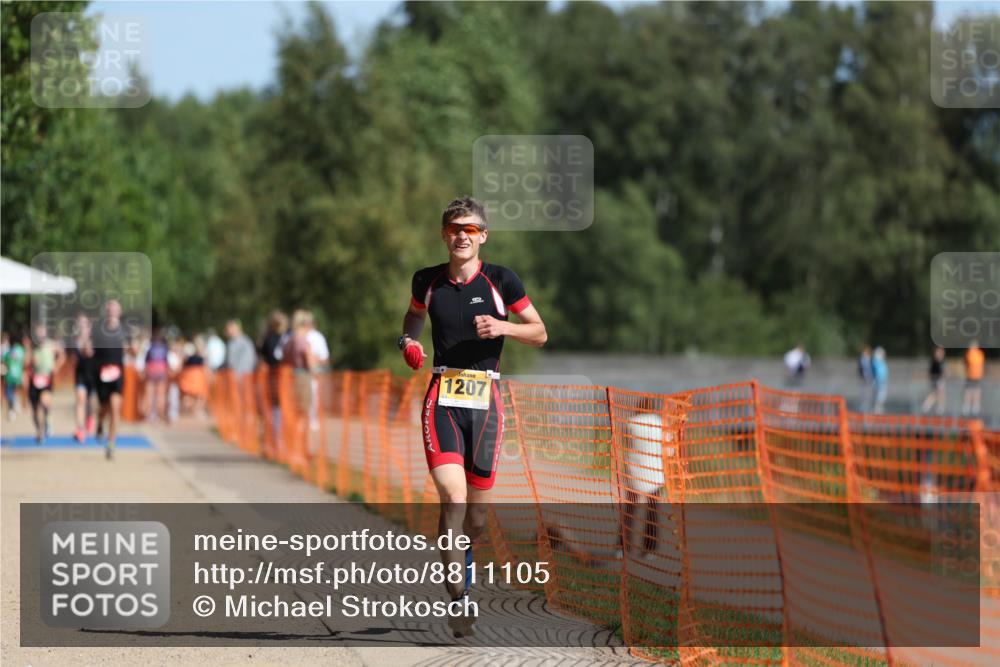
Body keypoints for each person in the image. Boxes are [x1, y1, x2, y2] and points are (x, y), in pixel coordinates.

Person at [400, 196, 547, 637]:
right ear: (443, 235)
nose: (461, 236)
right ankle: (460, 598)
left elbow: (540, 332)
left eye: (470, 229)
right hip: (442, 398)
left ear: (483, 236)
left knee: (477, 520)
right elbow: (413, 318)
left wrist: (504, 327)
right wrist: (408, 343)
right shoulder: (427, 280)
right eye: (453, 229)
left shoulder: (502, 280)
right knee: (453, 499)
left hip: (486, 404)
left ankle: (464, 566)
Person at [92, 299, 128, 460]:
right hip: (101, 374)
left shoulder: (125, 331)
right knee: (104, 408)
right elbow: (90, 350)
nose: (112, 311)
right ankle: (100, 423)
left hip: (118, 374)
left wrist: (134, 349)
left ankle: (111, 444)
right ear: (106, 312)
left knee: (115, 408)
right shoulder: (98, 330)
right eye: (110, 309)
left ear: (120, 312)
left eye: (115, 309)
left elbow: (130, 348)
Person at [26, 323, 65, 444]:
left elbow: (62, 355)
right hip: (34, 380)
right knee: (35, 411)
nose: (40, 336)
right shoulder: (32, 347)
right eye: (38, 334)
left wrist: (56, 366)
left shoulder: (51, 345)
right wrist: (30, 360)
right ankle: (39, 431)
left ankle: (47, 420)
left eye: (42, 334)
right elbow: (25, 363)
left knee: (45, 402)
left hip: (46, 379)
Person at [259, 311, 289, 459]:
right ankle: (275, 443)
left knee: (277, 411)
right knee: (277, 410)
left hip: (278, 378)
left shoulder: (282, 338)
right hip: (278, 378)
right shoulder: (274, 339)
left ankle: (275, 442)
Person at [72, 313, 97, 443]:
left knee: (91, 403)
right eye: (79, 323)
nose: (81, 326)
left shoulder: (94, 340)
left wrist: (86, 341)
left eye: (84, 323)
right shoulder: (75, 340)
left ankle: (90, 417)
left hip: (92, 376)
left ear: (89, 325)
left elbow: (89, 353)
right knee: (80, 400)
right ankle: (80, 429)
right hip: (80, 375)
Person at [143, 329, 170, 423]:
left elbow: (146, 362)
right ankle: (159, 415)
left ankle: (150, 415)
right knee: (160, 395)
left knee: (150, 394)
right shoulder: (165, 348)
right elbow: (167, 361)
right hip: (161, 371)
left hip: (151, 371)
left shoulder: (150, 348)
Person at [2, 331, 26, 421]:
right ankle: (12, 408)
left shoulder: (9, 350)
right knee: (13, 391)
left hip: (10, 374)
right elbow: (24, 361)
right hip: (18, 374)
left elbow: (4, 360)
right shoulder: (21, 350)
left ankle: (13, 405)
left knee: (9, 392)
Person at [921, 346, 947, 415]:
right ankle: (927, 405)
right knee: (937, 393)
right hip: (936, 379)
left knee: (939, 393)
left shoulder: (941, 361)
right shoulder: (935, 361)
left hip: (940, 379)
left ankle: (939, 407)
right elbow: (934, 371)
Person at [962, 340, 985, 417]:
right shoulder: (968, 353)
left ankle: (975, 407)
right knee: (968, 391)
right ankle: (966, 407)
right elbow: (966, 363)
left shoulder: (980, 354)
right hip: (970, 376)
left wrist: (981, 373)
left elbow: (981, 365)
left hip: (977, 376)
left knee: (977, 391)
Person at [872, 346, 889, 414]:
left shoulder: (882, 363)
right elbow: (877, 374)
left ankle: (879, 410)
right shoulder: (875, 363)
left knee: (881, 398)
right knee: (878, 398)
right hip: (877, 383)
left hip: (882, 383)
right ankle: (876, 411)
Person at [857, 345, 874, 412]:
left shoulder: (870, 359)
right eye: (864, 352)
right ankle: (863, 405)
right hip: (864, 377)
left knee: (869, 392)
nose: (864, 353)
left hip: (870, 377)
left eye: (865, 352)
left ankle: (869, 405)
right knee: (863, 391)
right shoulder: (861, 359)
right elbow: (860, 369)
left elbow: (872, 368)